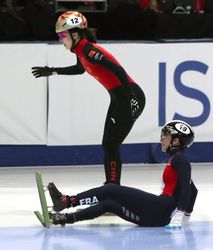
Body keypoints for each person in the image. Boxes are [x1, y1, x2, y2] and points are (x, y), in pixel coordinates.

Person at [31, 11, 145, 185]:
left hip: (130, 96)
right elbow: (80, 69)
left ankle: (113, 188)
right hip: (119, 97)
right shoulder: (80, 50)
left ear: (75, 34)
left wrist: (131, 97)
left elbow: (118, 70)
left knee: (111, 144)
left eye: (62, 35)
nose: (60, 39)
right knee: (108, 144)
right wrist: (53, 70)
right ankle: (111, 186)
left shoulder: (89, 51)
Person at [48, 120, 198, 228]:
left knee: (111, 189)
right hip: (158, 217)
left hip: (159, 208)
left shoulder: (179, 159)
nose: (161, 139)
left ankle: (65, 202)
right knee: (108, 204)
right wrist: (186, 217)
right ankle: (64, 218)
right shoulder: (179, 160)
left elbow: (186, 188)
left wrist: (179, 215)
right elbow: (194, 190)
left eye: (165, 135)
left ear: (176, 140)